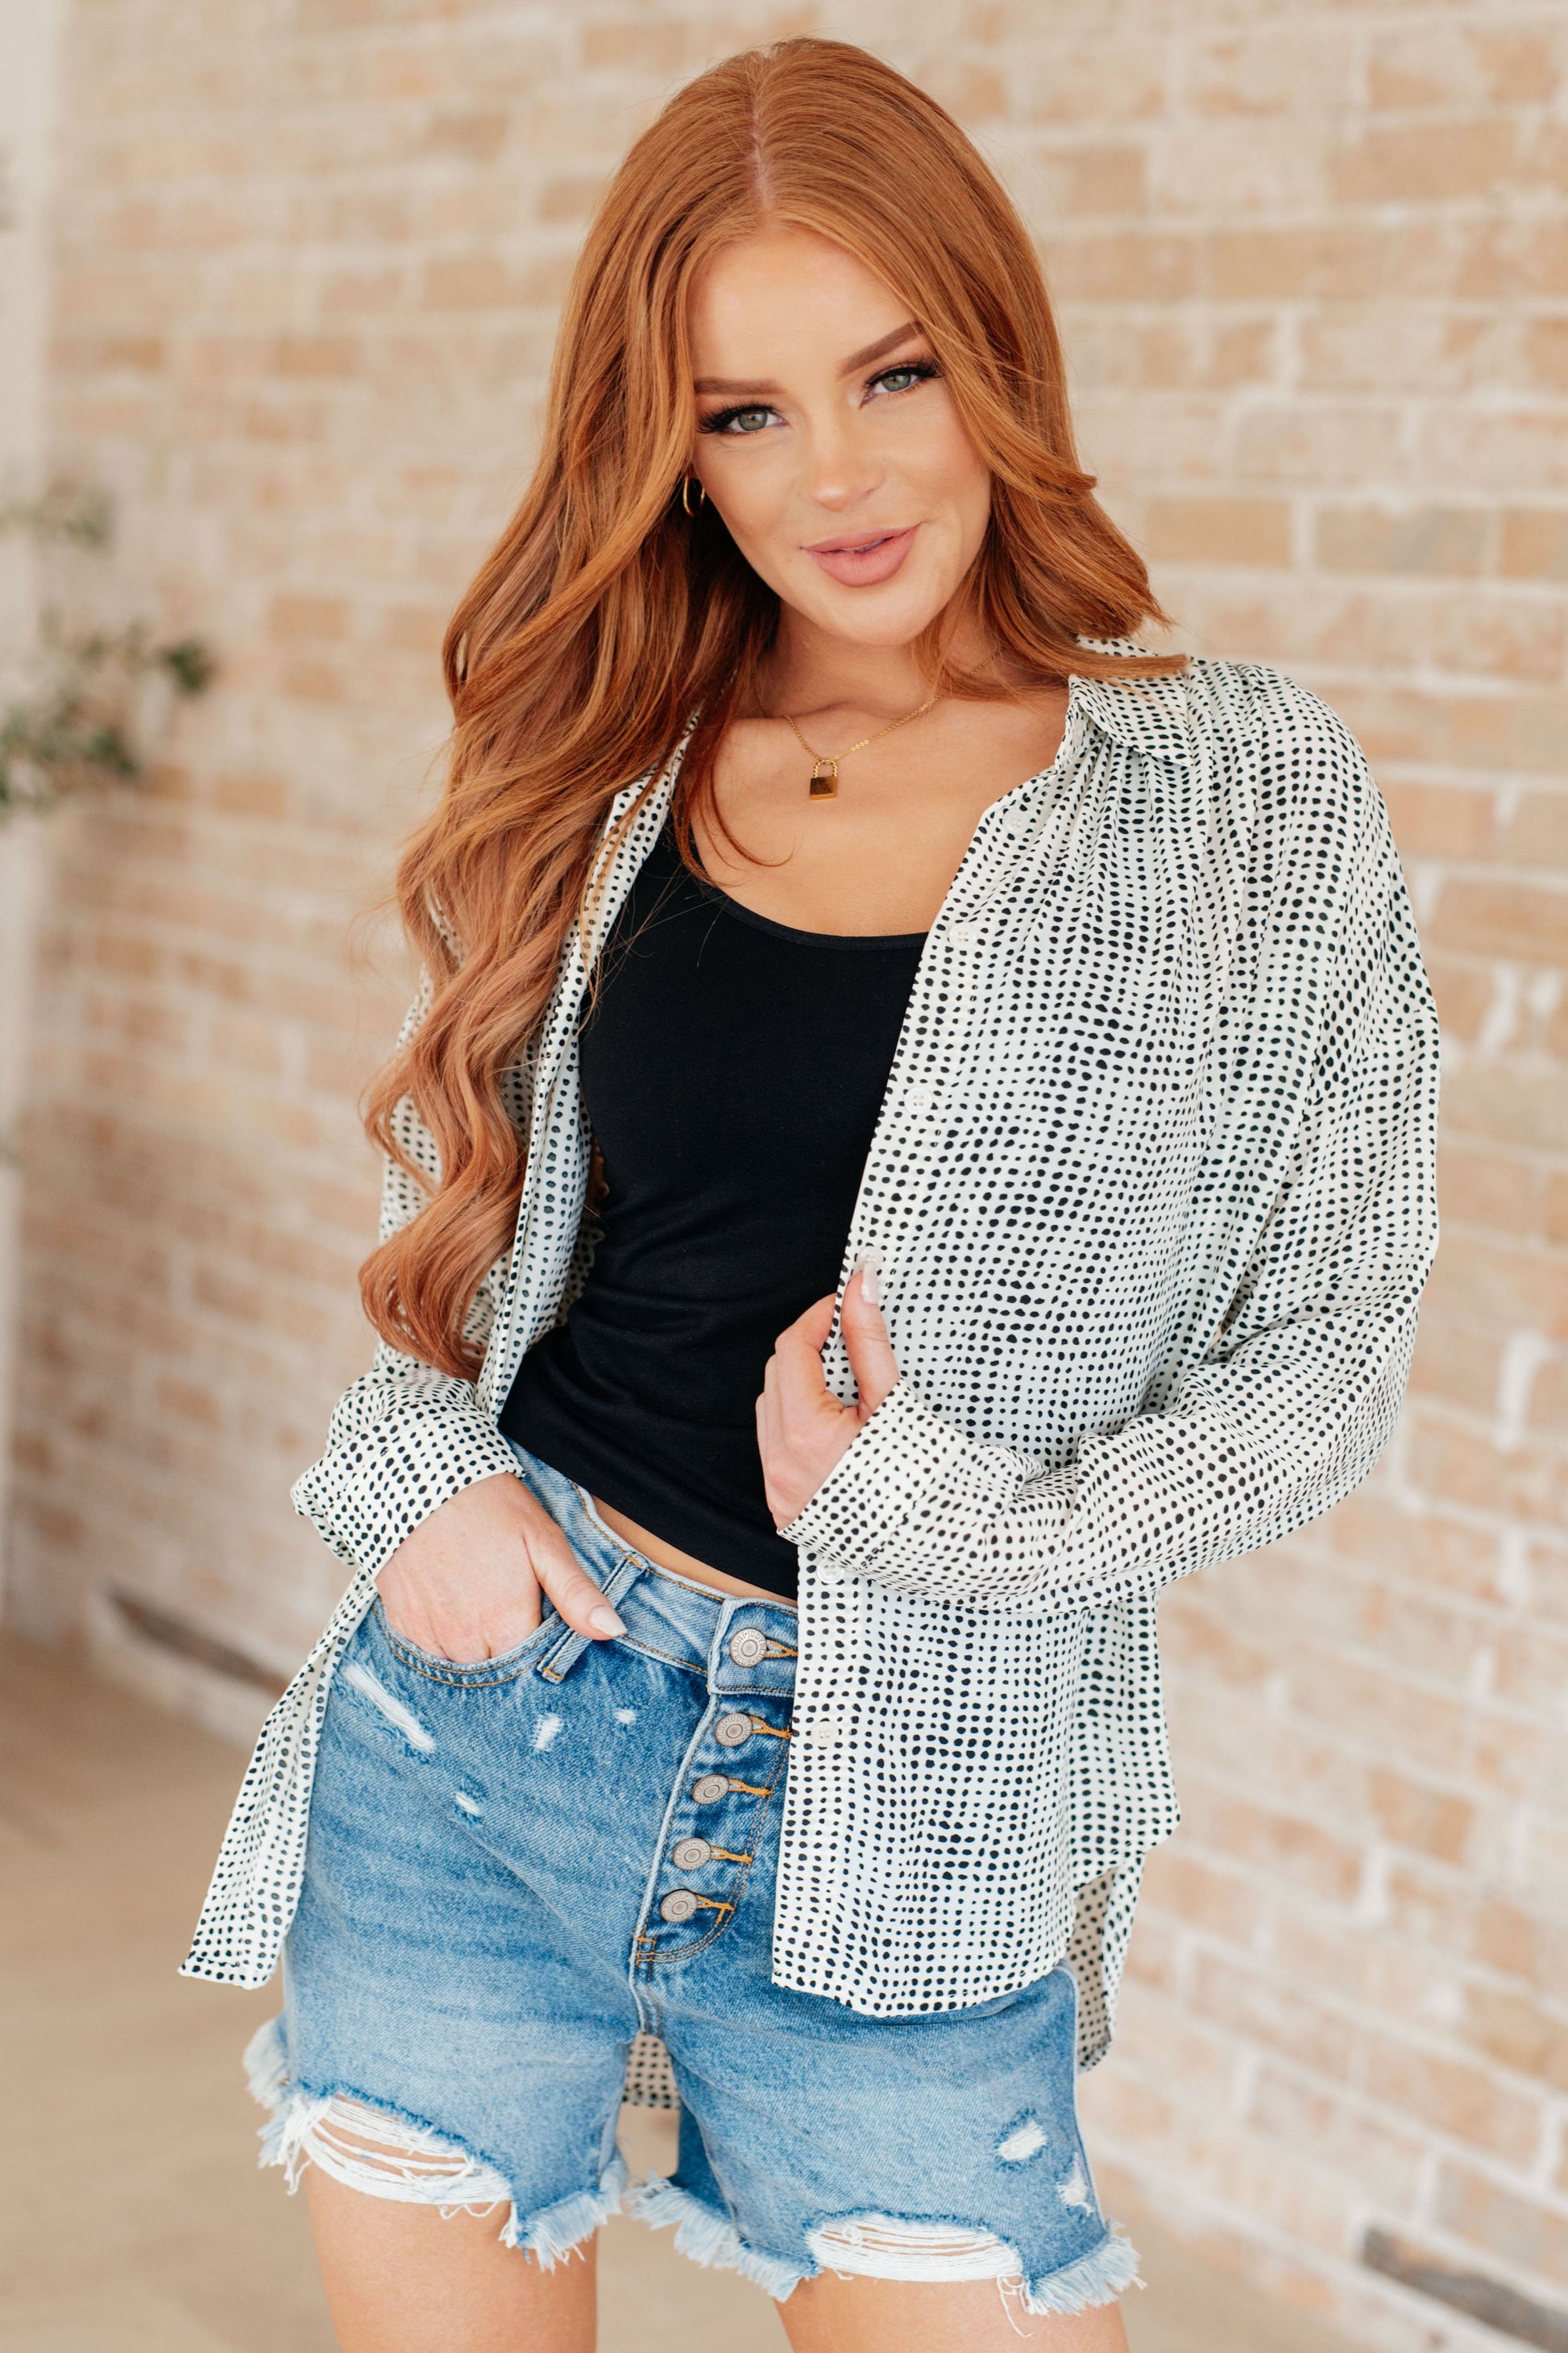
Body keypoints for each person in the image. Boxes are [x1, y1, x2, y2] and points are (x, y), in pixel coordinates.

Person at [182, 35, 1440, 2353]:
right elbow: (449, 1231)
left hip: (914, 1828)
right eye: (745, 412)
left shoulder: (1237, 792)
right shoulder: (608, 759)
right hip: (487, 1748)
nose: (836, 475)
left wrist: (965, 1526)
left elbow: (1333, 1352)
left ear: (997, 355)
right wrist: (412, 1487)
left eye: (894, 373)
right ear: (670, 450)